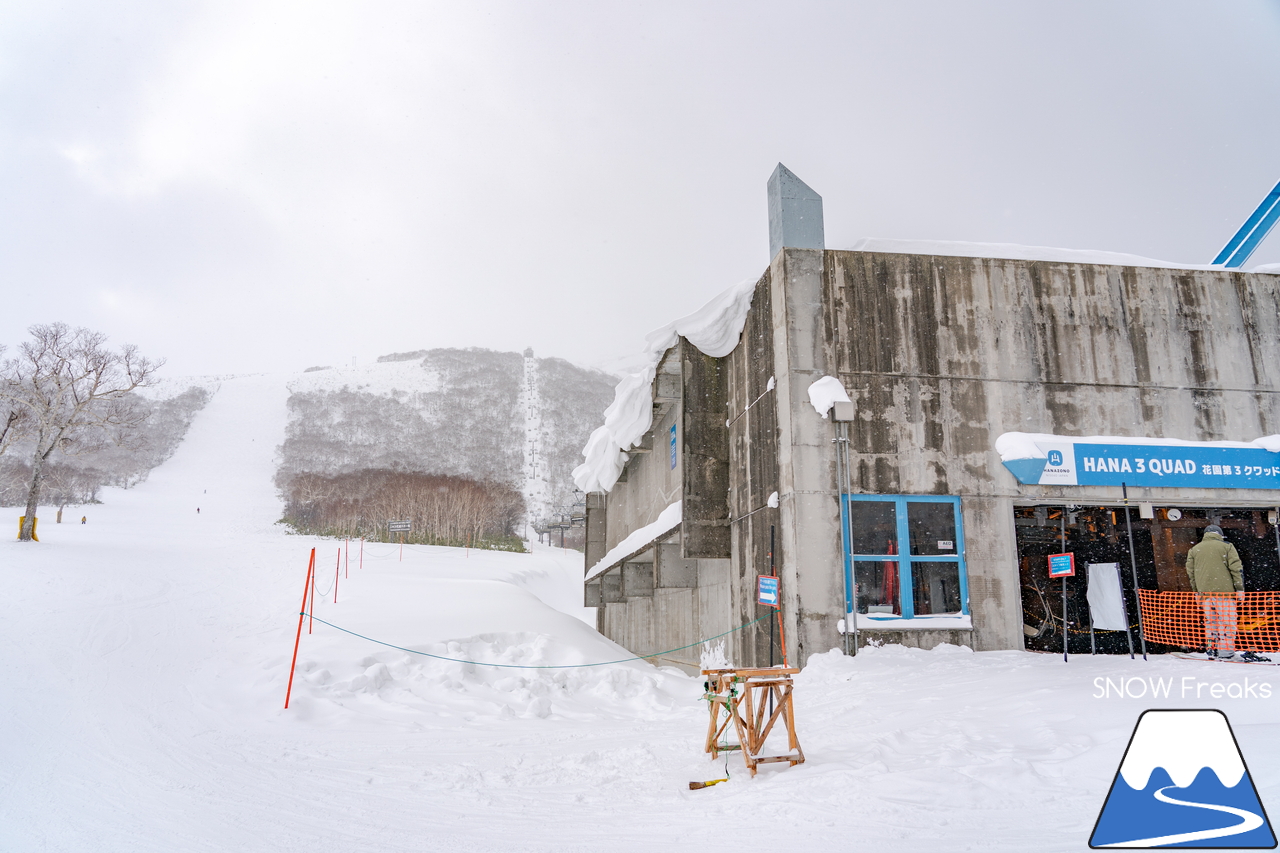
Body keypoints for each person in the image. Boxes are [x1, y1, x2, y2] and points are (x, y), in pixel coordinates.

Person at [1185, 524, 1269, 662]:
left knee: (1211, 623)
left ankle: (1212, 649)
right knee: (1227, 622)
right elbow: (1236, 569)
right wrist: (1240, 589)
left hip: (1205, 595)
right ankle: (1226, 653)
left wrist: (1197, 593)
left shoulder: (1194, 550)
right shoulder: (1227, 547)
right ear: (1219, 535)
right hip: (1225, 594)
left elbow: (1191, 574)